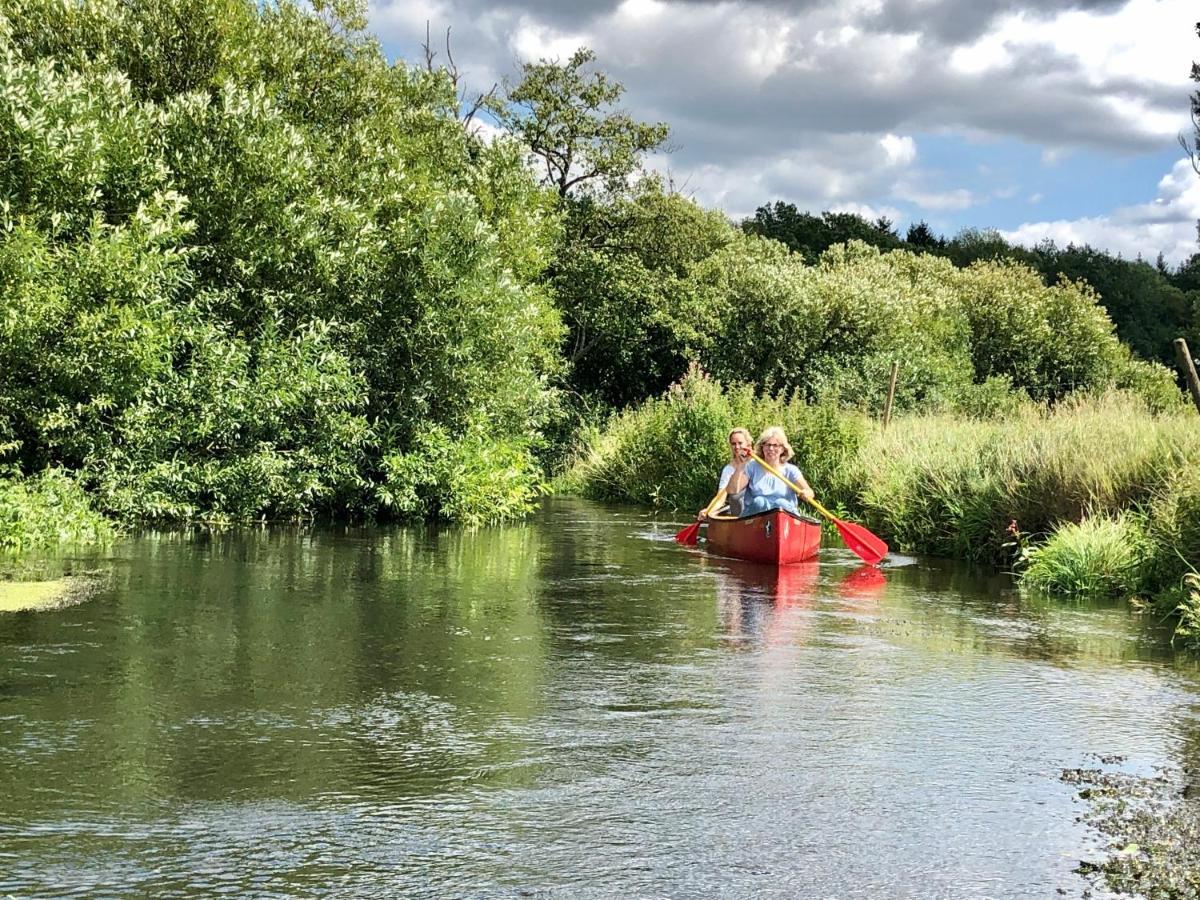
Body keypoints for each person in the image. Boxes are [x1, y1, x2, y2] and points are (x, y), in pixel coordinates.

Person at [734, 425, 815, 516]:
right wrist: (740, 466)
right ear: (762, 447)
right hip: (756, 516)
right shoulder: (752, 466)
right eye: (768, 445)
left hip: (784, 518)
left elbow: (810, 492)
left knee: (781, 504)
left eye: (775, 445)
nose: (771, 449)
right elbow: (735, 490)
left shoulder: (791, 470)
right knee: (759, 502)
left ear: (782, 449)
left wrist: (807, 493)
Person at [698, 427, 752, 520]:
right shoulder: (728, 470)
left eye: (740, 443)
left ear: (748, 444)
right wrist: (709, 510)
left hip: (757, 508)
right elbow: (721, 497)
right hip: (740, 512)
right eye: (733, 444)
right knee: (736, 497)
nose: (737, 447)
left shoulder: (757, 464)